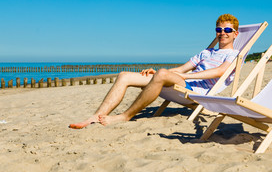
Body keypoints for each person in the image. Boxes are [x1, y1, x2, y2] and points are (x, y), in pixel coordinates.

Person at [69, 14, 240, 129]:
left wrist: (182, 76)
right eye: (219, 30)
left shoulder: (235, 54)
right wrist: (158, 72)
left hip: (197, 92)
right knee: (124, 76)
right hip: (182, 82)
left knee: (162, 74)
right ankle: (96, 115)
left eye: (227, 30)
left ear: (235, 34)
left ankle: (126, 115)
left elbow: (220, 72)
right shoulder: (206, 52)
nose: (222, 33)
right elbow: (180, 69)